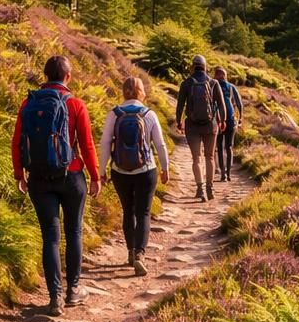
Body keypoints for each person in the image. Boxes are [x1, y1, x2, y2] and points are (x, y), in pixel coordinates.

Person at [12, 55, 99, 316]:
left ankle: (55, 298)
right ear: (68, 77)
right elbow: (87, 144)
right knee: (73, 232)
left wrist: (19, 175)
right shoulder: (75, 104)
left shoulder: (28, 103)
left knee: (50, 237)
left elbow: (17, 141)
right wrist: (95, 176)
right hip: (71, 176)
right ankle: (73, 291)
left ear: (45, 75)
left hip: (38, 178)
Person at [100, 75, 169, 277]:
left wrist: (101, 170)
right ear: (142, 92)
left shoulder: (114, 114)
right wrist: (165, 168)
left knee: (127, 211)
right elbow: (160, 144)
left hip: (120, 171)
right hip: (146, 170)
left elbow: (105, 143)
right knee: (144, 213)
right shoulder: (149, 114)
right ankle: (140, 254)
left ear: (124, 91)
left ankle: (130, 252)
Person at [174, 53, 224, 201]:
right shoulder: (213, 83)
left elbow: (180, 105)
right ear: (205, 66)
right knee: (209, 157)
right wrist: (222, 120)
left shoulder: (186, 83)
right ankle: (210, 189)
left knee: (196, 158)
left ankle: (200, 189)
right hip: (211, 125)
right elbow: (221, 105)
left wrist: (178, 121)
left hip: (192, 126)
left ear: (193, 66)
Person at [213, 65, 243, 183]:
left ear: (216, 75)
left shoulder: (213, 86)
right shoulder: (231, 87)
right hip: (231, 120)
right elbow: (239, 104)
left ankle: (223, 174)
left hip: (218, 120)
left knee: (219, 147)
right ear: (225, 76)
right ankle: (229, 174)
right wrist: (240, 118)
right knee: (229, 147)